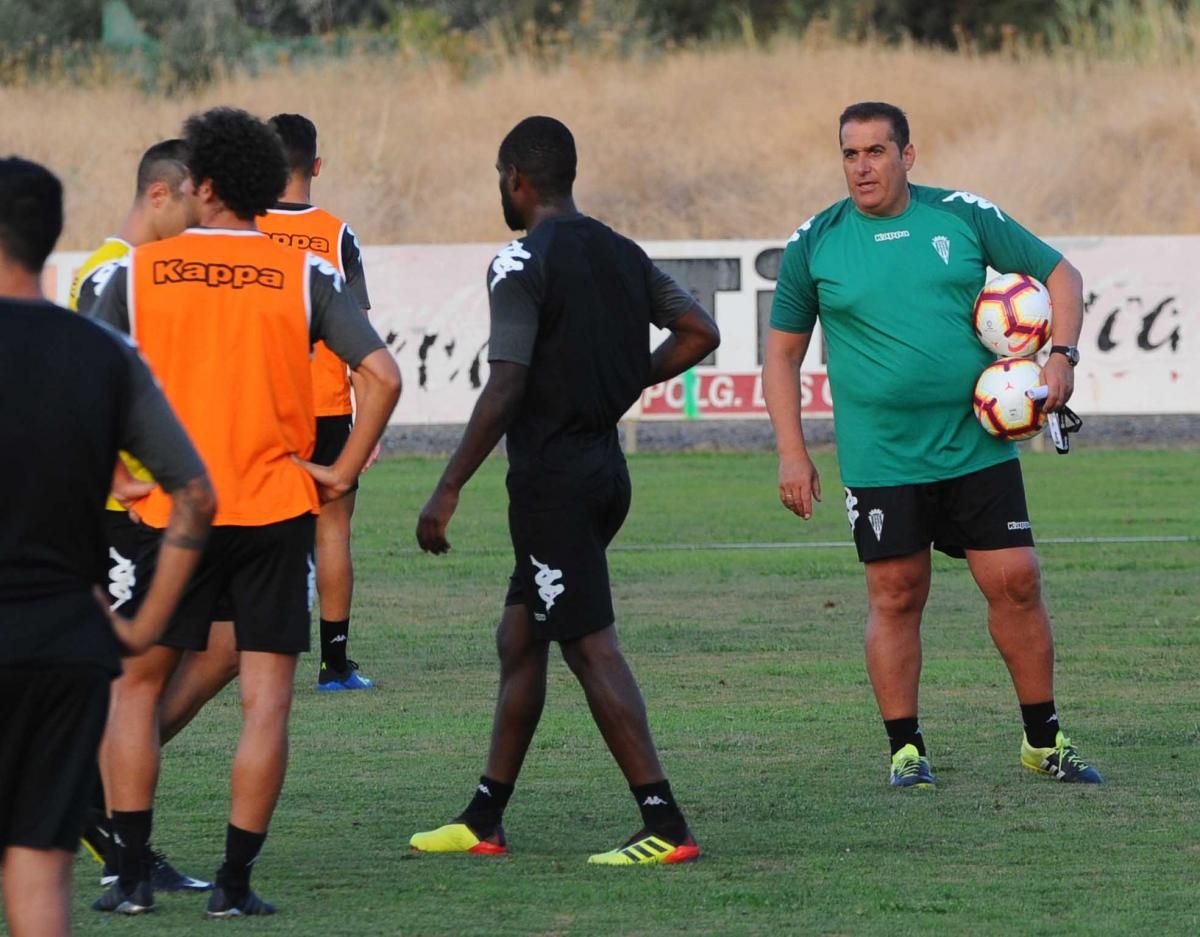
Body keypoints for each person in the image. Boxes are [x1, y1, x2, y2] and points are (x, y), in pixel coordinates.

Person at [89, 106, 401, 917]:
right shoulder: (301, 273)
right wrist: (337, 468)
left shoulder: (141, 269)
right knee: (267, 703)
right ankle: (233, 885)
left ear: (206, 185)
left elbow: (89, 381)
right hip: (271, 505)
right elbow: (383, 374)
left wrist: (115, 475)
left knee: (133, 691)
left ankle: (127, 880)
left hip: (169, 512)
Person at [762, 101, 1102, 788]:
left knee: (1016, 579)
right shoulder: (816, 241)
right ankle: (905, 749)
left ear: (907, 155)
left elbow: (1063, 275)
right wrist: (791, 451)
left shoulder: (962, 215)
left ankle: (1043, 739)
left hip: (974, 442)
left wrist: (1061, 355)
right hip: (881, 453)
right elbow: (781, 356)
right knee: (895, 592)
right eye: (850, 154)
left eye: (876, 152)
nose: (862, 167)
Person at [410, 116, 720, 865]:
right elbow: (698, 330)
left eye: (501, 180)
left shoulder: (519, 259)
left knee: (587, 645)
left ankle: (667, 824)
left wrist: (447, 487)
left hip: (552, 481)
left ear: (517, 178)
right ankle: (485, 816)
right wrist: (626, 376)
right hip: (604, 473)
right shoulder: (621, 252)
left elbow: (508, 379)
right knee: (521, 635)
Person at [0, 156, 214, 937]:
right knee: (40, 866)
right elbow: (195, 493)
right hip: (66, 637)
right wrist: (141, 624)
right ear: (49, 237)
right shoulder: (104, 354)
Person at [70, 137, 216, 895]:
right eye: (196, 201)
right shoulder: (111, 270)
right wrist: (122, 477)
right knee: (123, 679)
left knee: (223, 646)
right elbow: (80, 388)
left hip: (176, 510)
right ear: (163, 194)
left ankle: (103, 794)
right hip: (117, 516)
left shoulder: (166, 273)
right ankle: (112, 830)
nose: (202, 217)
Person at [260, 112, 377, 691]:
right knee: (333, 532)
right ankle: (334, 666)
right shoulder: (336, 235)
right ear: (317, 166)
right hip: (328, 406)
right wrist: (369, 426)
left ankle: (245, 652)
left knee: (248, 526)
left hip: (256, 407)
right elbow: (361, 341)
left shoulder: (240, 229)